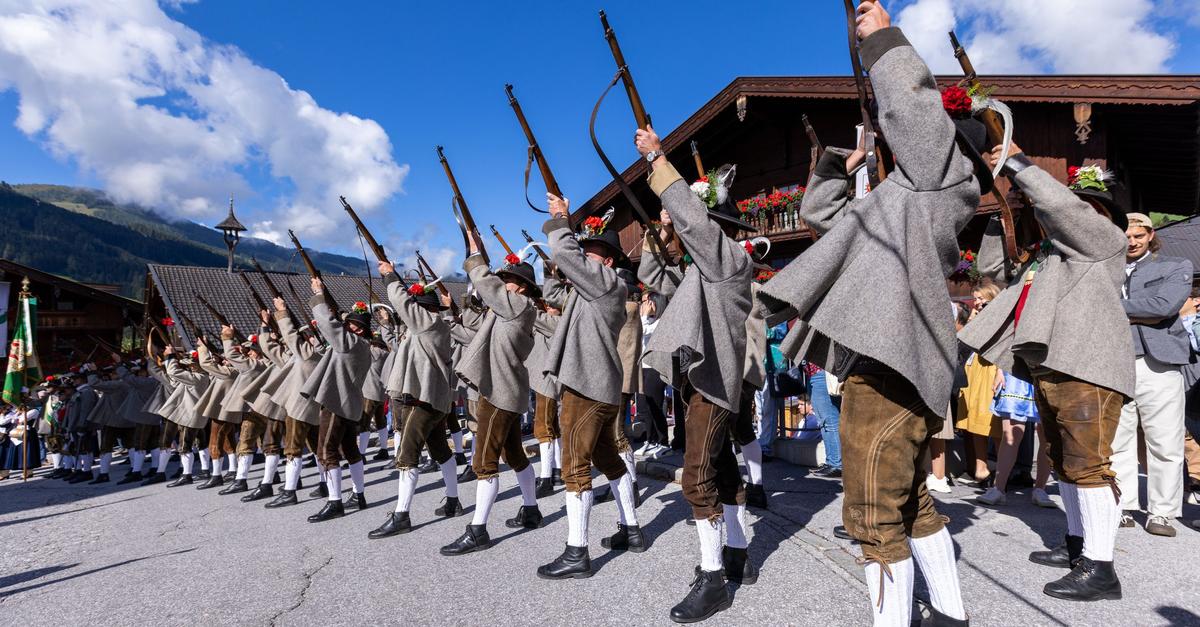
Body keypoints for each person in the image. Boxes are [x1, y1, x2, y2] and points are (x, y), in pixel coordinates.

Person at [759, 4, 994, 622]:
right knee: (910, 503)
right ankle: (949, 615)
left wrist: (883, 40)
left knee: (871, 515)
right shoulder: (902, 197)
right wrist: (835, 168)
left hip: (891, 365)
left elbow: (913, 111)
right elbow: (824, 221)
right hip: (885, 360)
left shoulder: (942, 179)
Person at [962, 149, 1133, 602]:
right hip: (1053, 364)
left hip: (1087, 364)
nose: (1069, 211)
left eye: (1084, 205)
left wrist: (1019, 164)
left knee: (1089, 464)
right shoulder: (1049, 258)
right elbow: (994, 271)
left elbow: (1064, 208)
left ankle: (1101, 568)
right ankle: (1079, 545)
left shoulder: (1105, 237)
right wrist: (1005, 213)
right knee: (1064, 461)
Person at [635, 124, 762, 619]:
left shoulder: (728, 259)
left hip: (713, 384)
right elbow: (653, 275)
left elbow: (696, 225)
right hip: (700, 380)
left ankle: (713, 580)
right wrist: (662, 232)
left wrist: (658, 161)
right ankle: (737, 556)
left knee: (696, 476)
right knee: (724, 469)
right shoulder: (702, 271)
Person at [533, 195, 645, 579]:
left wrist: (561, 219)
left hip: (587, 385)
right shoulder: (591, 288)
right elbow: (553, 294)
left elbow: (568, 255)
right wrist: (550, 267)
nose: (586, 255)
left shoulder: (607, 283)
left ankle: (577, 552)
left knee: (575, 466)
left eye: (592, 252)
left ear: (608, 262)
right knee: (608, 461)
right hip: (597, 384)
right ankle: (631, 529)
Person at [440, 233, 543, 555]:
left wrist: (475, 255)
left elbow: (486, 285)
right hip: (502, 390)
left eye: (508, 280)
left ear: (521, 287)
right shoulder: (511, 308)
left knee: (484, 462)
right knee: (514, 455)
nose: (502, 284)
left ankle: (478, 529)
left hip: (499, 392)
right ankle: (531, 509)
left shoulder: (518, 306)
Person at [1111, 212, 1192, 538]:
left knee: (1166, 442)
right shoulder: (1107, 269)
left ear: (1150, 235)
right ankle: (1123, 506)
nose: (1132, 242)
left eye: (1138, 236)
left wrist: (1116, 308)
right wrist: (1140, 312)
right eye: (1127, 236)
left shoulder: (1175, 265)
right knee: (1119, 440)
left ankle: (1162, 513)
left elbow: (1163, 307)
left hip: (1161, 364)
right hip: (1116, 361)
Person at [369, 263, 461, 538]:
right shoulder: (431, 326)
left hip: (424, 399)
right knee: (441, 452)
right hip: (430, 398)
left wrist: (389, 275)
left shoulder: (429, 323)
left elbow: (401, 300)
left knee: (407, 454)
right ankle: (453, 501)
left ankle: (402, 515)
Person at [977, 371, 1055, 508]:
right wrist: (999, 371)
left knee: (1047, 434)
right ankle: (998, 489)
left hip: (1048, 372)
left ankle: (1040, 489)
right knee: (1010, 433)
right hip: (1017, 373)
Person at [953, 280, 1002, 490]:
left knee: (993, 422)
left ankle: (1001, 471)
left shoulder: (999, 317)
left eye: (981, 299)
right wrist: (973, 320)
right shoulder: (976, 319)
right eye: (976, 299)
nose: (978, 303)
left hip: (990, 370)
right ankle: (981, 468)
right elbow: (962, 341)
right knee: (974, 421)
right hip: (974, 371)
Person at [636, 291, 671, 457]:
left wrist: (644, 316)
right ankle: (650, 439)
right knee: (646, 406)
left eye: (649, 302)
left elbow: (643, 332)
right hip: (643, 366)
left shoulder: (662, 322)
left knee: (655, 405)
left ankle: (662, 441)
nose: (645, 305)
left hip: (656, 367)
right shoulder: (648, 320)